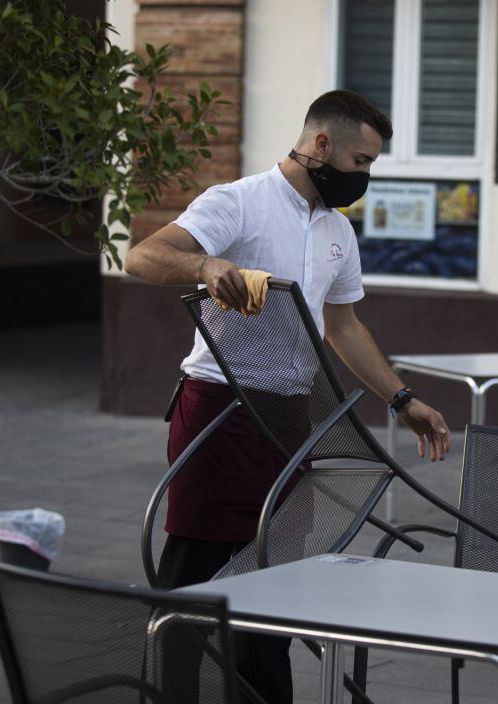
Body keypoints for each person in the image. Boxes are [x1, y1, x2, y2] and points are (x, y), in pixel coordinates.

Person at [124, 89, 451, 703]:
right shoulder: (238, 202)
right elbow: (142, 255)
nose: (365, 176)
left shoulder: (336, 231)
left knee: (276, 583)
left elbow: (344, 327)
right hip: (218, 408)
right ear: (321, 146)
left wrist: (403, 400)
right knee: (193, 578)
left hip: (290, 417)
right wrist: (205, 267)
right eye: (361, 162)